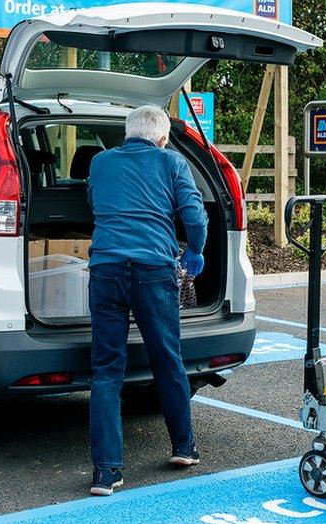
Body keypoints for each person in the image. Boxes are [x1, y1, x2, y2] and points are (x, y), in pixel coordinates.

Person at [85, 105, 208, 496]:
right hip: (153, 270)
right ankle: (184, 447)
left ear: (126, 133)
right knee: (166, 357)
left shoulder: (100, 162)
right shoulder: (171, 162)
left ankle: (106, 473)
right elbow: (196, 218)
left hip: (105, 270)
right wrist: (195, 253)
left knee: (106, 369)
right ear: (161, 137)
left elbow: (93, 204)